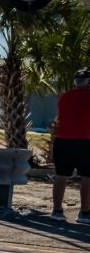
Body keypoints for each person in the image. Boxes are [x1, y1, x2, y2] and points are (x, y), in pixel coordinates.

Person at [50, 67, 90, 224]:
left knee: (61, 176)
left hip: (63, 141)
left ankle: (57, 211)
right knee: (87, 178)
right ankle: (85, 213)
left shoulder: (64, 97)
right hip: (86, 141)